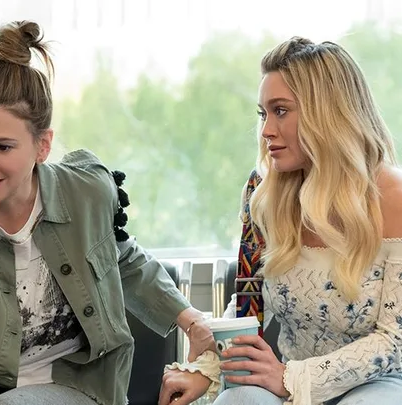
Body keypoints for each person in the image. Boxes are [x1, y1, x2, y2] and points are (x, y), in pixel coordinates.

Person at [0, 20, 215, 405]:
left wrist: (191, 321)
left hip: (74, 382)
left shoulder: (86, 193)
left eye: (2, 147)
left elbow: (122, 259)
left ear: (43, 145)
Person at [159, 36, 402, 405]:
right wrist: (208, 369)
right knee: (236, 400)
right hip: (285, 380)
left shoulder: (394, 196)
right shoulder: (264, 192)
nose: (266, 130)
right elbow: (248, 305)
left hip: (379, 385)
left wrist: (291, 377)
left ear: (328, 113)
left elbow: (394, 339)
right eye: (263, 114)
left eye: (281, 111)